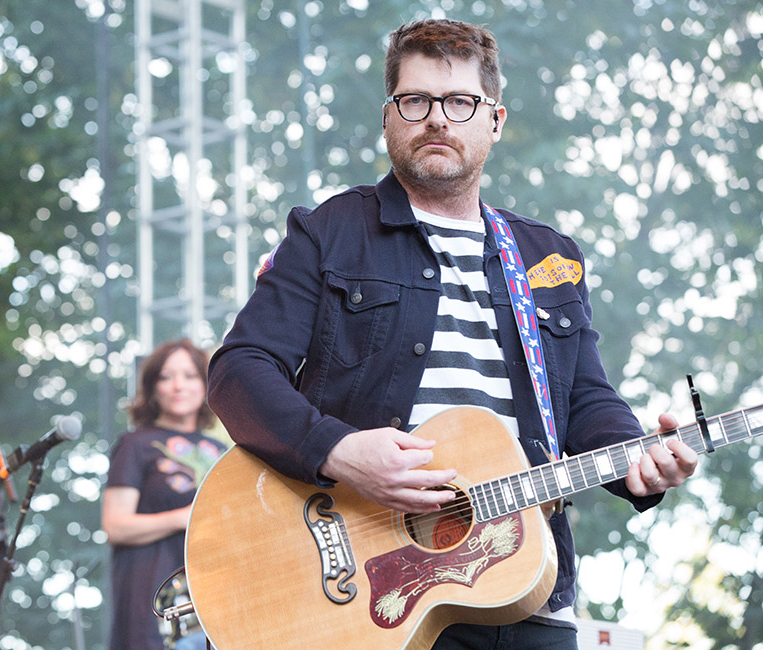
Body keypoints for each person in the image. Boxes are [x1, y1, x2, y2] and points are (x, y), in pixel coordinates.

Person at [206, 18, 698, 649]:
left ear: (494, 120)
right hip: (366, 600)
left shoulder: (548, 256)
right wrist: (338, 451)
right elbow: (239, 371)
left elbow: (584, 399)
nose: (437, 118)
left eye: (460, 101)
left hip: (528, 588)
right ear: (389, 117)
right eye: (415, 100)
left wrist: (637, 459)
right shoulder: (327, 232)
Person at [103, 339, 228, 650]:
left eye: (190, 375)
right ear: (152, 388)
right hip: (152, 595)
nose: (178, 385)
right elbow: (115, 526)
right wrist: (184, 518)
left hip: (215, 595)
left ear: (206, 385)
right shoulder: (135, 444)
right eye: (166, 377)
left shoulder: (222, 452)